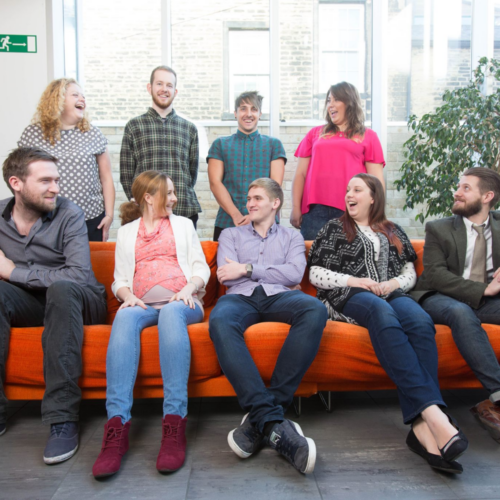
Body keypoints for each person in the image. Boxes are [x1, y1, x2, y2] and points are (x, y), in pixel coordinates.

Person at [308, 173, 468, 474]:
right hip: (349, 294)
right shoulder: (333, 228)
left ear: (373, 197)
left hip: (390, 293)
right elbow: (316, 274)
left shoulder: (393, 230)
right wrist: (356, 280)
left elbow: (410, 271)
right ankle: (435, 415)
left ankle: (421, 428)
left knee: (420, 321)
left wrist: (392, 282)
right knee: (383, 315)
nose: (348, 194)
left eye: (357, 189)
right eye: (347, 190)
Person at [92, 171, 210, 478]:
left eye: (174, 193)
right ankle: (116, 428)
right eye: (168, 193)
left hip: (182, 302)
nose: (174, 198)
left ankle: (174, 424)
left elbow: (200, 268)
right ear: (148, 197)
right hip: (142, 303)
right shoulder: (128, 232)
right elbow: (119, 278)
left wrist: (187, 290)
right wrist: (127, 295)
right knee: (124, 315)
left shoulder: (183, 225)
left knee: (171, 313)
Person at [209, 178, 328, 474]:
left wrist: (248, 268)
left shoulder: (292, 237)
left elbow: (293, 274)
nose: (250, 203)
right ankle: (274, 422)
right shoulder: (231, 235)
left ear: (275, 203)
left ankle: (259, 418)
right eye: (249, 198)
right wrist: (249, 273)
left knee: (314, 309)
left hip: (281, 298)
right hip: (240, 299)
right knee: (220, 319)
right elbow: (226, 275)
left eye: (258, 198)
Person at [0, 147, 107, 464]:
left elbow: (76, 275)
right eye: (46, 180)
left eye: (57, 180)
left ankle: (62, 418)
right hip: (32, 304)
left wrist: (12, 271)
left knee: (61, 288)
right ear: (16, 183)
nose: (56, 188)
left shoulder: (68, 213)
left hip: (81, 300)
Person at [413, 167, 500, 444]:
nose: (457, 192)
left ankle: (490, 401)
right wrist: (484, 289)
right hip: (440, 297)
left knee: (468, 312)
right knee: (461, 313)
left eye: (465, 188)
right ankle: (498, 392)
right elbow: (436, 274)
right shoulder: (438, 228)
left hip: (486, 301)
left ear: (487, 196)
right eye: (458, 186)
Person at [18, 78, 115, 241]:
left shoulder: (93, 134)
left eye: (83, 96)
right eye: (75, 95)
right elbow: (21, 178)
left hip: (90, 219)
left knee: (88, 266)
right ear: (57, 100)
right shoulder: (33, 134)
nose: (82, 99)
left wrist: (109, 215)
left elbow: (106, 178)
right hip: (45, 218)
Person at [291, 82, 385, 241]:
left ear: (350, 102)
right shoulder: (315, 133)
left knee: (350, 263)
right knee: (313, 263)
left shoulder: (369, 136)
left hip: (353, 211)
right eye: (328, 100)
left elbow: (376, 182)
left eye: (336, 100)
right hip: (315, 212)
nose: (330, 105)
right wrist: (295, 208)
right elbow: (300, 174)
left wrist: (376, 214)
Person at [120, 65, 201, 227]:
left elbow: (191, 174)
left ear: (175, 92)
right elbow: (127, 173)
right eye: (159, 84)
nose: (164, 89)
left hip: (182, 209)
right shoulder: (134, 126)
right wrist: (141, 202)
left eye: (169, 85)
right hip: (146, 211)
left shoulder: (189, 128)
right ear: (149, 87)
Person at [207, 91, 286, 241]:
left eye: (254, 109)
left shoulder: (274, 145)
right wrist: (236, 215)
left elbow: (275, 187)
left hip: (265, 224)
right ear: (235, 113)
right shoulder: (220, 144)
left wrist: (253, 217)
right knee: (225, 264)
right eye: (243, 108)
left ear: (260, 114)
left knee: (267, 264)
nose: (248, 114)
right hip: (228, 223)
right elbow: (214, 183)